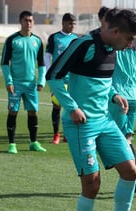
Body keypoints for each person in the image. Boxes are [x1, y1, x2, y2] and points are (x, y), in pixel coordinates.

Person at [46, 9, 136, 211]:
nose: (131, 44)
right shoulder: (84, 44)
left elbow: (103, 81)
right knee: (92, 183)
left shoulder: (114, 49)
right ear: (116, 32)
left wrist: (114, 95)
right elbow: (53, 76)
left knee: (131, 172)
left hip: (105, 121)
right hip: (81, 125)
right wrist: (73, 107)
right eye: (129, 39)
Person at [108, 38, 136, 195]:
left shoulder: (113, 46)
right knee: (127, 139)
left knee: (116, 142)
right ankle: (134, 184)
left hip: (118, 98)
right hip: (134, 96)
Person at [0, 10, 47, 154]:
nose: (29, 23)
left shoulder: (37, 41)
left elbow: (41, 64)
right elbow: (4, 63)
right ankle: (12, 144)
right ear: (21, 22)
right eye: (26, 20)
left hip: (31, 84)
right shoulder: (12, 40)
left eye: (31, 20)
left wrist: (41, 81)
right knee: (13, 112)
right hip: (16, 83)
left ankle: (33, 142)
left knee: (33, 112)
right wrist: (9, 82)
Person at [45, 13, 78, 144]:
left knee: (71, 107)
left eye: (74, 24)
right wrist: (49, 73)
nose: (72, 26)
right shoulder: (55, 38)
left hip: (71, 79)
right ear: (64, 23)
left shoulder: (76, 39)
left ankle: (67, 134)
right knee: (56, 105)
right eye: (70, 23)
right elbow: (47, 56)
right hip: (57, 78)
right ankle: (56, 134)